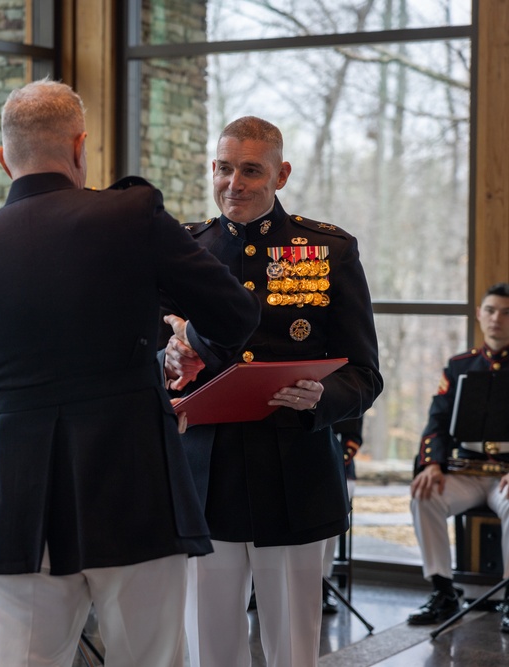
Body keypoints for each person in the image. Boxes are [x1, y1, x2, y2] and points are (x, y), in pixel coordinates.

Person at [0, 78, 261, 667]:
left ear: (3, 157)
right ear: (81, 147)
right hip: (131, 479)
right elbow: (235, 313)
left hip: (22, 495)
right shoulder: (130, 214)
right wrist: (181, 342)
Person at [164, 116, 383, 667]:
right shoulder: (183, 250)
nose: (232, 183)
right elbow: (145, 352)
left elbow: (364, 373)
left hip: (293, 469)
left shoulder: (327, 251)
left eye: (251, 171)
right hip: (205, 473)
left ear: (281, 174)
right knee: (210, 646)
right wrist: (165, 357)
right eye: (223, 168)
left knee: (293, 647)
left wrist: (322, 398)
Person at [407, 282, 509, 632]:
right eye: (491, 310)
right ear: (480, 315)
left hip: (506, 478)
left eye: (506, 313)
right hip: (466, 470)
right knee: (425, 494)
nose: (497, 319)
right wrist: (432, 464)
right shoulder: (459, 366)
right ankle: (443, 591)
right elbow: (436, 422)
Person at [322, 418, 363, 614]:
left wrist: (333, 459)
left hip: (338, 468)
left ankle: (322, 581)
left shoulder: (341, 387)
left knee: (329, 505)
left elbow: (353, 437)